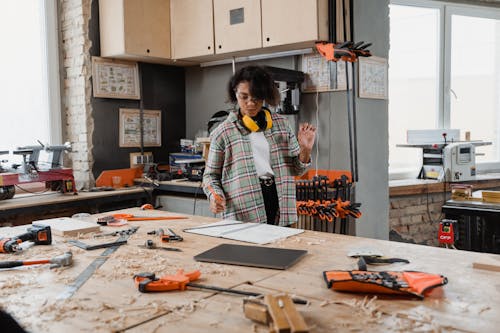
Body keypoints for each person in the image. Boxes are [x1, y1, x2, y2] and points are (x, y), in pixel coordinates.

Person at [203, 65, 316, 226]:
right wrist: (214, 196)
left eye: (256, 98)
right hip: (243, 211)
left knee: (284, 249)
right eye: (244, 97)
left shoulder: (282, 124)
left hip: (282, 204)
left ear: (265, 97)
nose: (250, 103)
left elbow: (297, 170)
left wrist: (305, 150)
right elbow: (210, 176)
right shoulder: (223, 132)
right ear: (235, 94)